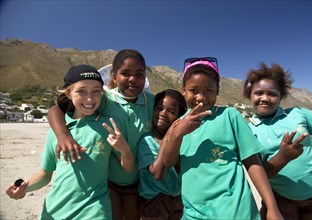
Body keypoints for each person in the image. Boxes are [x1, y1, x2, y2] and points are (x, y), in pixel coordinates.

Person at [5, 64, 134, 219]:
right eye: (81, 91)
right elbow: (45, 174)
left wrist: (124, 150)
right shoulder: (57, 132)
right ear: (68, 93)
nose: (89, 98)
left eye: (96, 91)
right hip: (54, 211)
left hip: (95, 210)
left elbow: (127, 167)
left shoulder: (106, 126)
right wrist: (25, 188)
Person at [161, 57, 283, 219]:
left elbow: (252, 162)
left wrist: (272, 207)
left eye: (208, 91)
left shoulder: (229, 116)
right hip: (194, 213)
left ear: (217, 90)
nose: (201, 97)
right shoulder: (178, 125)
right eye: (193, 90)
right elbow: (168, 163)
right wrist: (177, 133)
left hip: (236, 212)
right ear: (184, 90)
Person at [47, 49, 154, 220]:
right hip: (108, 182)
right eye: (125, 73)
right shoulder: (104, 99)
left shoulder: (152, 102)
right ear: (114, 76)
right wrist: (63, 136)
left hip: (139, 180)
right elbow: (55, 110)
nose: (132, 79)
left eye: (139, 74)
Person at [243, 62, 312, 219]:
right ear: (250, 94)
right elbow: (258, 175)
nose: (264, 98)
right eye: (258, 93)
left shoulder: (298, 114)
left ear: (281, 96)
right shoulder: (248, 131)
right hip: (281, 201)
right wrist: (282, 157)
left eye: (272, 94)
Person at [138, 89, 187, 220]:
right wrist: (169, 134)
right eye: (159, 108)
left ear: (179, 117)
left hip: (177, 201)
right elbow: (157, 173)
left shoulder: (182, 140)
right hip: (153, 203)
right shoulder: (147, 141)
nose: (163, 114)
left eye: (171, 112)